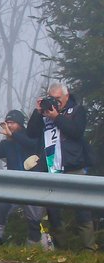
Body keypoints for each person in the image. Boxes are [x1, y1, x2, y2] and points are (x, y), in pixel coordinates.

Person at [26, 82, 95, 249]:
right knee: (54, 213)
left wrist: (57, 117)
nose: (56, 102)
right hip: (52, 169)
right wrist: (38, 111)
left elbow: (76, 132)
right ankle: (61, 249)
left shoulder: (77, 110)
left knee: (82, 210)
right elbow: (31, 133)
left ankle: (89, 249)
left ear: (67, 95)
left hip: (73, 167)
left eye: (58, 98)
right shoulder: (44, 114)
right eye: (52, 98)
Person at [0, 110, 43, 244]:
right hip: (14, 185)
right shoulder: (6, 144)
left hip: (32, 185)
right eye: (7, 123)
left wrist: (14, 135)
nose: (8, 126)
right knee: (1, 210)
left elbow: (32, 144)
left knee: (34, 220)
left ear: (20, 124)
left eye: (12, 123)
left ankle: (35, 247)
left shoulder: (28, 135)